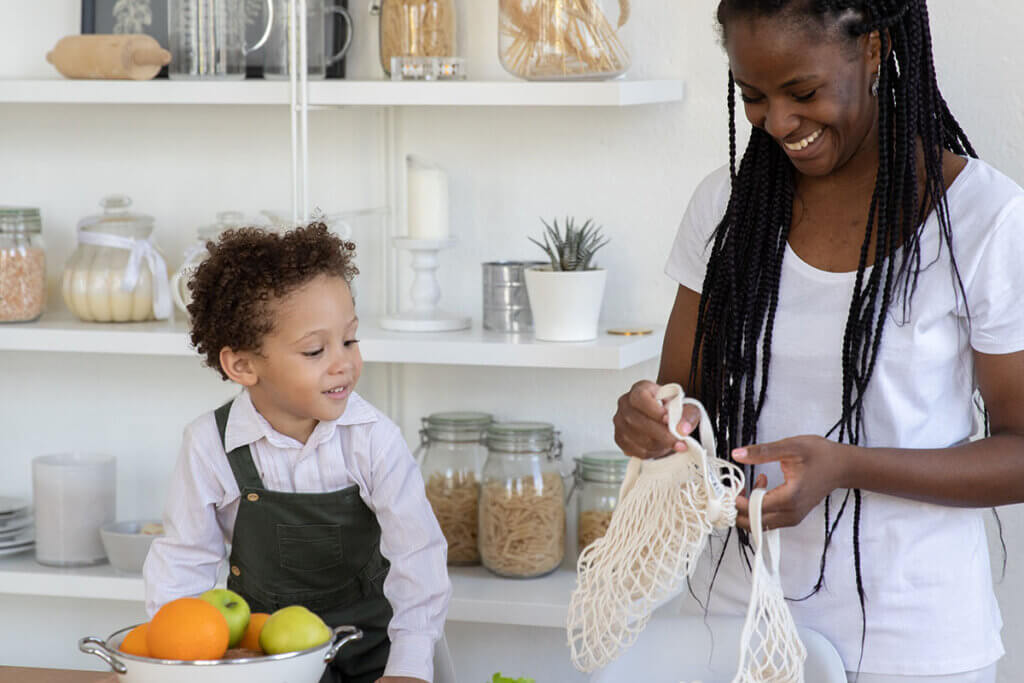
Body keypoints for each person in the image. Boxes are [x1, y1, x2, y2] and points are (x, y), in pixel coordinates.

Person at [612, 1, 1024, 681]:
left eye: (801, 91)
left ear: (872, 49)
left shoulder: (983, 219)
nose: (777, 121)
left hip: (911, 646)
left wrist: (846, 466)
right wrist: (654, 420)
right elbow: (684, 397)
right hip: (737, 633)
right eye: (753, 96)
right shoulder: (727, 208)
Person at [143, 223, 451, 683]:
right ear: (243, 365)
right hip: (268, 659)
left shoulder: (373, 439)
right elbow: (182, 563)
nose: (342, 362)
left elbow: (418, 557)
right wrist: (165, 662)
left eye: (349, 339)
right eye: (314, 350)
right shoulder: (208, 445)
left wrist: (409, 667)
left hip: (378, 652)